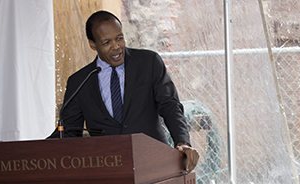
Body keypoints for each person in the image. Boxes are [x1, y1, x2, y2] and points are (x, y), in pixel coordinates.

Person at [48, 10, 199, 172]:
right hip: (107, 170)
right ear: (93, 44)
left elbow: (170, 106)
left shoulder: (149, 63)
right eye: (106, 42)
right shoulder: (80, 81)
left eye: (119, 38)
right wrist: (35, 151)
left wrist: (182, 142)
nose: (116, 46)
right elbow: (69, 131)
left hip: (153, 164)